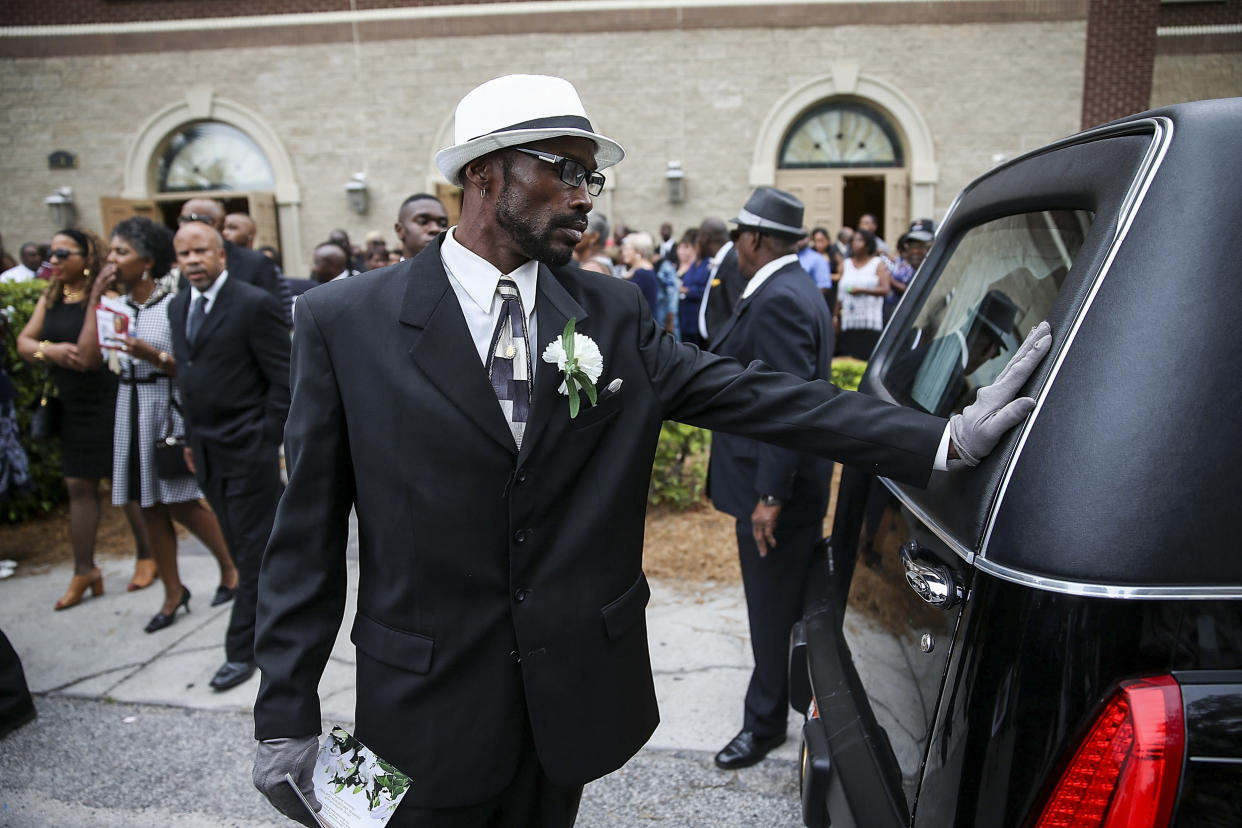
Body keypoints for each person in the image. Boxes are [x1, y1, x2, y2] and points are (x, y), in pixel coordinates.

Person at [250, 74, 1049, 828]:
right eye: (565, 170)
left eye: (590, 179)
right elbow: (306, 535)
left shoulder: (608, 312)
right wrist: (286, 709)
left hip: (566, 708)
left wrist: (940, 438)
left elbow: (756, 393)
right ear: (487, 171)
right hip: (421, 711)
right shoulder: (344, 321)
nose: (582, 199)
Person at [706, 187, 835, 770]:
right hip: (780, 486)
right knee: (786, 609)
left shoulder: (779, 296)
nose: (735, 249)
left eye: (738, 238)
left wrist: (769, 495)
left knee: (770, 613)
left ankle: (764, 726)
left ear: (753, 239)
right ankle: (804, 709)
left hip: (777, 491)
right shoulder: (792, 287)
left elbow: (784, 406)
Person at [75, 217, 240, 634]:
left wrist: (154, 357)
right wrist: (97, 294)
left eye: (121, 252)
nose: (112, 260)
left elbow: (190, 369)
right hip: (129, 409)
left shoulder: (173, 305)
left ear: (147, 261)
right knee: (146, 505)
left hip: (166, 409)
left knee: (182, 501)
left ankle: (232, 568)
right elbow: (89, 359)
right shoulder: (114, 306)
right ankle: (172, 591)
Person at [168, 222, 290, 691]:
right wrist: (187, 441)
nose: (192, 260)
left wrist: (265, 439)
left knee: (254, 554)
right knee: (249, 546)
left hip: (248, 449)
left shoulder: (252, 303)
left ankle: (241, 650)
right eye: (183, 253)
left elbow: (283, 379)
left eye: (200, 251)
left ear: (221, 254)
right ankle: (286, 613)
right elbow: (190, 377)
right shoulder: (180, 305)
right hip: (206, 452)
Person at [16, 228, 153, 609]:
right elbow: (24, 342)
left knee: (122, 482)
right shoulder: (52, 296)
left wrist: (93, 300)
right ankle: (84, 570)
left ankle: (147, 555)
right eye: (51, 254)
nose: (54, 261)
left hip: (108, 398)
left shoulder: (110, 298)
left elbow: (91, 355)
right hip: (72, 404)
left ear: (87, 257)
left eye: (63, 254)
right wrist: (52, 351)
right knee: (78, 485)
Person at [836, 228, 891, 359]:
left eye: (860, 240)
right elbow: (840, 294)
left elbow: (885, 289)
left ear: (868, 244)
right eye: (853, 240)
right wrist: (835, 316)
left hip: (870, 322)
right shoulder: (846, 264)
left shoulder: (877, 263)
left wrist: (862, 290)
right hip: (849, 321)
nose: (855, 243)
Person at [695, 217, 744, 345]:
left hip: (723, 346)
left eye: (698, 237)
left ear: (706, 238)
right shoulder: (722, 258)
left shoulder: (733, 260)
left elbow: (736, 309)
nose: (697, 242)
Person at [677, 230, 709, 348]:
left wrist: (687, 290)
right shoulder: (693, 264)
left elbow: (705, 290)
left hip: (696, 315)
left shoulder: (707, 265)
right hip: (685, 315)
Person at [619, 231, 660, 318]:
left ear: (638, 252)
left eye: (627, 249)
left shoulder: (642, 273)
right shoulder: (644, 270)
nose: (623, 253)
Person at [394, 194, 449, 260]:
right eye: (422, 221)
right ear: (400, 230)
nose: (435, 229)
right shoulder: (385, 270)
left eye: (443, 224)